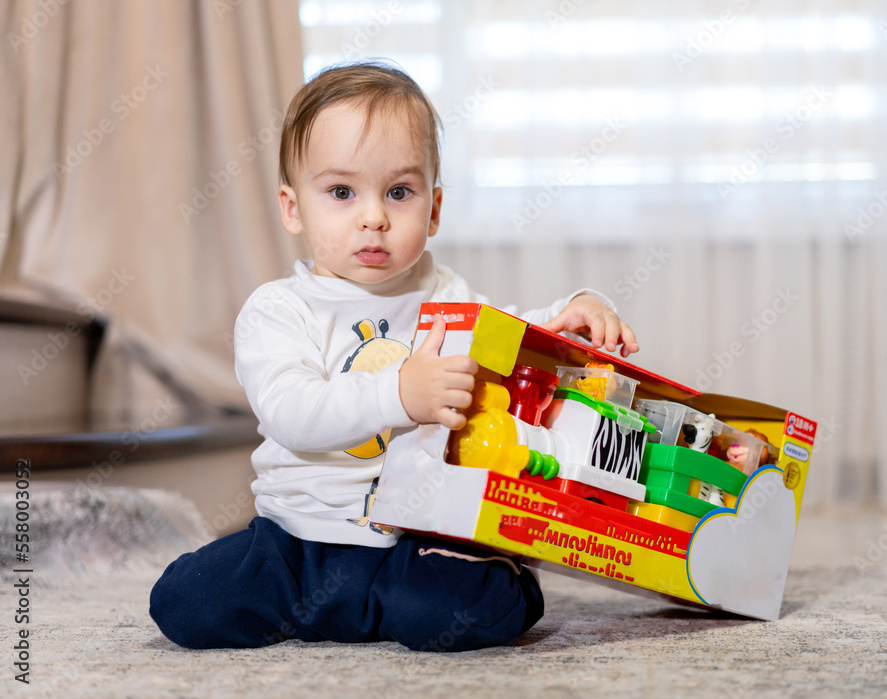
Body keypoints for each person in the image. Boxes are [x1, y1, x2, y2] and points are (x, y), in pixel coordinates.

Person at [150, 61, 639, 652]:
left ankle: (496, 574)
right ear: (292, 208)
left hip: (413, 534)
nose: (374, 216)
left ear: (433, 210)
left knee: (459, 611)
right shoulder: (278, 310)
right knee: (186, 602)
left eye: (399, 193)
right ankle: (328, 606)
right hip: (297, 540)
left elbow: (515, 338)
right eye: (340, 192)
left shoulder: (446, 296)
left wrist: (575, 311)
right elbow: (291, 411)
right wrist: (398, 394)